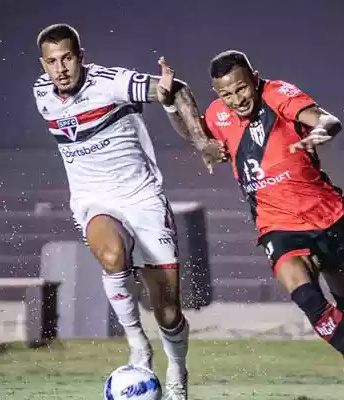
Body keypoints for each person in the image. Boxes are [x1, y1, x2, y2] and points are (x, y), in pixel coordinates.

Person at [156, 51, 344, 400]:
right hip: (276, 226)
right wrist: (171, 107)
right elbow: (194, 131)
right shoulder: (219, 114)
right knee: (308, 299)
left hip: (328, 217)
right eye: (226, 94)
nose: (236, 99)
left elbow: (327, 120)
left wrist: (317, 134)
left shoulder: (277, 94)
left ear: (254, 79)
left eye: (241, 89)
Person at [32, 23, 222, 400]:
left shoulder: (111, 82)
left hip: (142, 197)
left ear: (80, 57)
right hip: (95, 200)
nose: (61, 68)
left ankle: (178, 374)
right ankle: (138, 344)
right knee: (112, 255)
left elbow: (176, 89)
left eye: (68, 58)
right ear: (43, 65)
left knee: (167, 310)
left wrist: (199, 139)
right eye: (53, 61)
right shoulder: (41, 93)